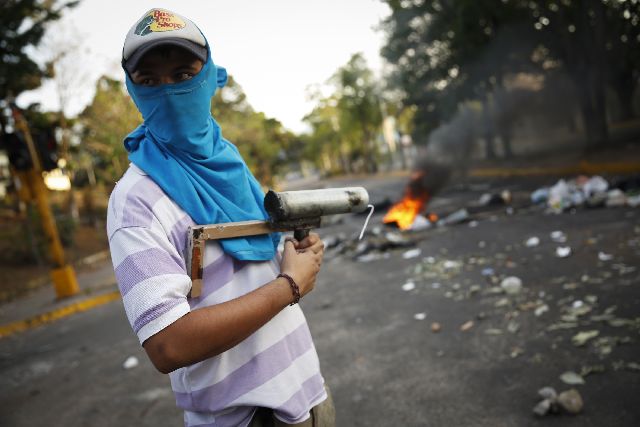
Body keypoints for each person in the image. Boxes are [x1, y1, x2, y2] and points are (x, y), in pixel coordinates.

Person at [107, 8, 334, 427]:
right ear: (133, 90)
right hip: (246, 418)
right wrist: (290, 285)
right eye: (150, 81)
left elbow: (255, 267)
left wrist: (296, 256)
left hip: (307, 394)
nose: (170, 91)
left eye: (183, 74)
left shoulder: (229, 164)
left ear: (210, 76)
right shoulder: (136, 201)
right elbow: (168, 344)